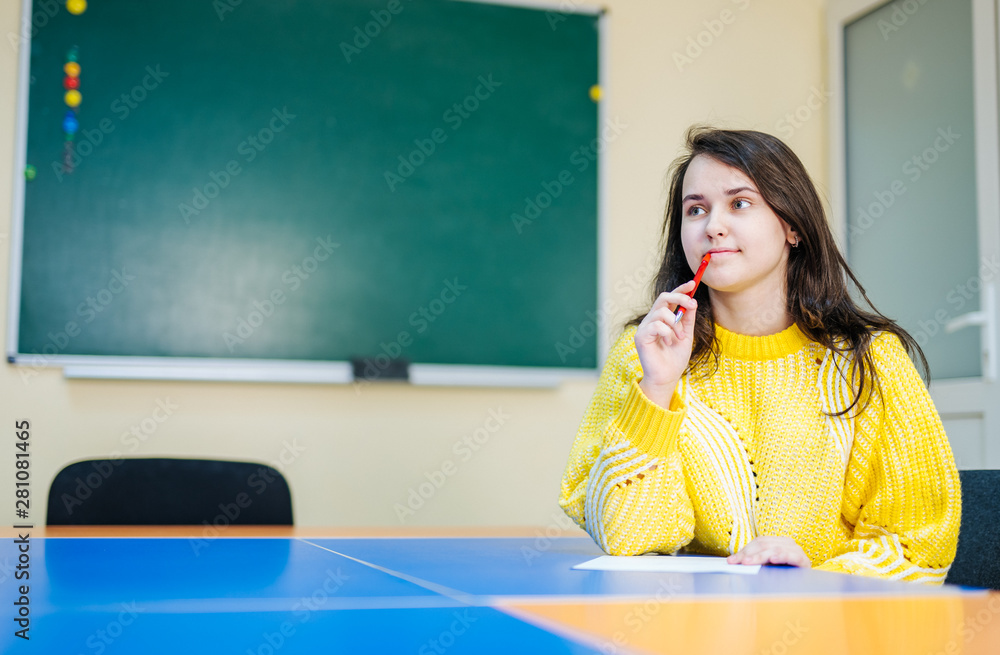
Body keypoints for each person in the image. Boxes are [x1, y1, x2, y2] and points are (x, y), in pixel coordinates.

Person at [559, 127, 960, 583]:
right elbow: (629, 538)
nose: (713, 225)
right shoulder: (644, 353)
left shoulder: (872, 360)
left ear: (792, 225)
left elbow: (918, 547)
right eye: (696, 210)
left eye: (739, 203)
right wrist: (657, 389)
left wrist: (818, 577)